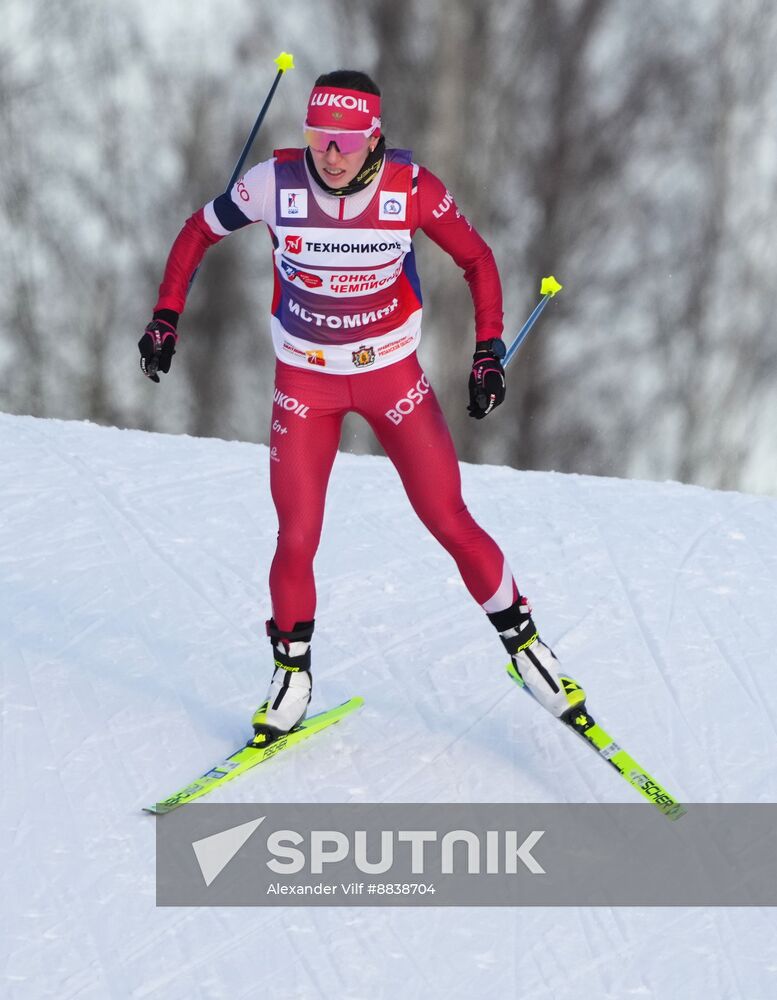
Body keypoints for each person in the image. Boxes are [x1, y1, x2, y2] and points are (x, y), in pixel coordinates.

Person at [139, 69, 585, 743]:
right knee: (295, 535)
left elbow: (478, 259)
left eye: (346, 141)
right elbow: (197, 231)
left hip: (389, 377)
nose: (331, 154)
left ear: (373, 138)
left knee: (448, 516)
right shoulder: (273, 183)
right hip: (305, 382)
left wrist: (488, 351)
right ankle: (291, 676)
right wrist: (165, 317)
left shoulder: (410, 189)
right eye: (320, 137)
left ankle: (530, 652)